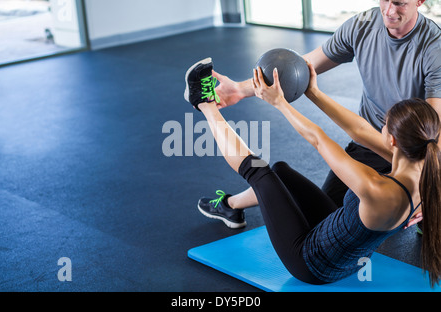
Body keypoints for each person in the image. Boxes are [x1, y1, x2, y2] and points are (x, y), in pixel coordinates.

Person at [183, 57, 441, 286]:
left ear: (394, 141)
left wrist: (280, 103)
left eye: (384, 125)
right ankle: (230, 205)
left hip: (312, 264)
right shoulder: (428, 169)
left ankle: (204, 103)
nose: (380, 128)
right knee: (281, 171)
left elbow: (318, 139)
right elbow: (360, 131)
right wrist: (313, 92)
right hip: (350, 251)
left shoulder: (377, 189)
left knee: (258, 172)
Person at [198, 0, 441, 230]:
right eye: (384, 0)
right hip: (369, 141)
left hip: (412, 150)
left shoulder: (434, 48)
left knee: (423, 219)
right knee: (323, 218)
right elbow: (299, 70)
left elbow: (433, 134)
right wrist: (240, 89)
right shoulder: (362, 26)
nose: (388, 11)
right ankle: (232, 204)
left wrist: (428, 186)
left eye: (398, 3)